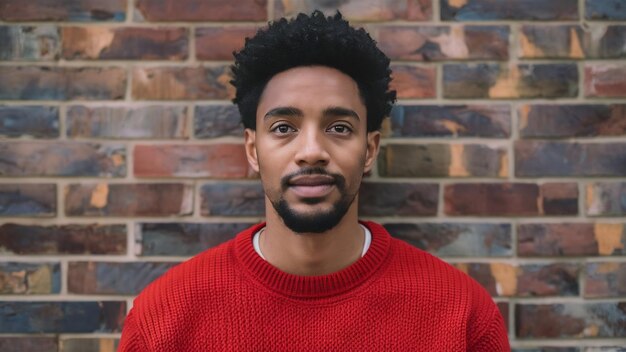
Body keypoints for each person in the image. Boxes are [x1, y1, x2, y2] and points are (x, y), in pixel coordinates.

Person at [118, 11, 510, 351]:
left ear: (370, 150)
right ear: (253, 150)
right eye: (284, 127)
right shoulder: (166, 318)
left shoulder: (460, 315)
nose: (311, 151)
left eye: (338, 127)